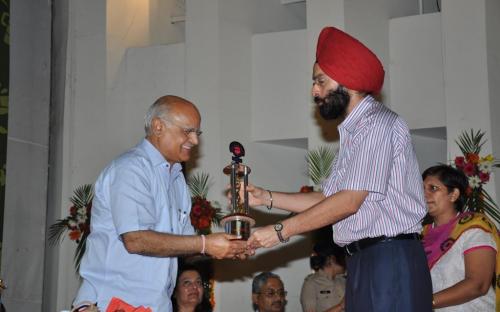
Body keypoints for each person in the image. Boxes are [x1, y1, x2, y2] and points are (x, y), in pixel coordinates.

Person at [244, 27, 432, 311]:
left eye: (320, 81)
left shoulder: (377, 125)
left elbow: (348, 202)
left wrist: (281, 231)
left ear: (349, 81)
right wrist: (266, 197)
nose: (314, 91)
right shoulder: (355, 132)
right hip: (363, 260)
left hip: (389, 259)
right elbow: (329, 198)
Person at [73, 95, 247, 311]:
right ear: (158, 127)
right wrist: (205, 244)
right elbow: (136, 240)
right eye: (188, 131)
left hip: (156, 305)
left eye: (197, 133)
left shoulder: (176, 178)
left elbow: (183, 243)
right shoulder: (131, 169)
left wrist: (228, 246)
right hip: (115, 302)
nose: (195, 141)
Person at [421, 165, 499, 311]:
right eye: (422, 189)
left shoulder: (474, 228)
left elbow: (478, 284)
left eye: (433, 188)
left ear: (454, 194)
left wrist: (424, 303)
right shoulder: (420, 234)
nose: (424, 194)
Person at [301, 241, 346, 312]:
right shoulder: (311, 283)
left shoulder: (344, 281)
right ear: (332, 259)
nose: (345, 260)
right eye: (342, 257)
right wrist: (340, 306)